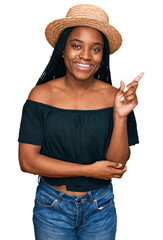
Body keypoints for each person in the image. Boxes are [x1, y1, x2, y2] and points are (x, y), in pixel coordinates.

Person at [18, 4, 143, 240]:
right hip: (51, 207)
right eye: (77, 46)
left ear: (101, 56)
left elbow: (116, 165)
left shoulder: (116, 98)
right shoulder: (40, 96)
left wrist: (120, 115)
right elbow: (27, 161)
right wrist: (88, 170)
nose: (86, 55)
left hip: (100, 208)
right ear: (62, 50)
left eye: (95, 49)